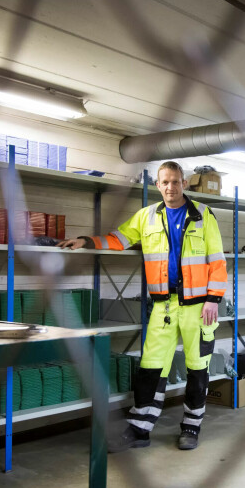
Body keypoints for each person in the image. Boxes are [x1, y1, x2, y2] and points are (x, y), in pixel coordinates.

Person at [57, 161, 227, 451]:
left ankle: (191, 426)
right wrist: (87, 241)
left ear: (184, 183)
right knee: (150, 367)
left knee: (197, 368)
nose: (170, 187)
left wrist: (213, 299)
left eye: (175, 182)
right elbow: (119, 239)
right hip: (162, 306)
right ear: (157, 185)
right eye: (165, 182)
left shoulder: (203, 215)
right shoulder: (146, 217)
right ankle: (140, 429)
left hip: (197, 308)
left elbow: (217, 260)